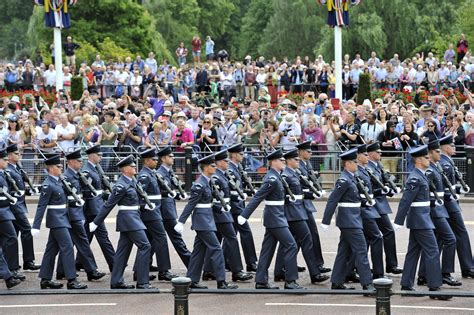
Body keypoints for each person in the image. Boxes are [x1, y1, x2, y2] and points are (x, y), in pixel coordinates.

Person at [238, 149, 304, 290]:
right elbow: (258, 197)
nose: (283, 162)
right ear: (274, 162)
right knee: (291, 245)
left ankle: (261, 280)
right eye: (281, 160)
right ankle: (291, 281)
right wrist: (244, 215)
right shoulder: (272, 179)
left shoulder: (277, 176)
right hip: (275, 218)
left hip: (276, 216)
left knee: (267, 249)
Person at [393, 145, 452, 300]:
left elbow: (421, 198)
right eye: (426, 157)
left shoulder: (421, 175)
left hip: (421, 218)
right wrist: (398, 221)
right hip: (420, 221)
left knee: (413, 252)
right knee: (432, 251)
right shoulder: (415, 177)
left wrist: (433, 203)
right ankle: (434, 287)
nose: (429, 159)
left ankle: (406, 284)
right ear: (419, 160)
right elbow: (406, 200)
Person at [174, 153, 238, 290]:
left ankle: (192, 280)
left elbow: (207, 202)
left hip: (206, 220)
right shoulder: (199, 185)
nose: (215, 167)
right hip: (203, 222)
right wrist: (181, 222)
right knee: (216, 249)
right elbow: (191, 204)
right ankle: (221, 282)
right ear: (206, 168)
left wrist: (220, 208)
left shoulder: (207, 181)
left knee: (198, 252)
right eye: (212, 165)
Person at [90, 155, 154, 289]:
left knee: (122, 251)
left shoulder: (131, 181)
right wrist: (96, 222)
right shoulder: (121, 185)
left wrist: (144, 206)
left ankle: (116, 281)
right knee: (145, 246)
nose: (135, 167)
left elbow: (134, 201)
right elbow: (109, 205)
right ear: (125, 169)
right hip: (129, 219)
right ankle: (142, 282)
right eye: (132, 166)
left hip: (133, 218)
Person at [321, 148, 375, 292]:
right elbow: (333, 200)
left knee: (344, 251)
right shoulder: (344, 180)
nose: (357, 164)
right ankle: (367, 284)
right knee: (361, 250)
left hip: (353, 218)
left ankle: (337, 281)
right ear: (348, 163)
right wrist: (326, 221)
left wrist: (366, 202)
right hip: (349, 220)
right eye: (355, 162)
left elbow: (353, 198)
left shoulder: (352, 177)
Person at [273, 148, 329, 284]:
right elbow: (284, 196)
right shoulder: (286, 175)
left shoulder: (293, 173)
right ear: (289, 161)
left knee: (291, 242)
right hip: (292, 213)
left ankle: (280, 271)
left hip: (297, 211)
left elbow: (299, 193)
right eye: (296, 159)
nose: (299, 161)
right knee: (306, 240)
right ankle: (314, 273)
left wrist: (312, 194)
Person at [31, 155, 88, 290]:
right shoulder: (48, 185)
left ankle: (45, 279)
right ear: (51, 169)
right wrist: (36, 226)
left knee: (51, 249)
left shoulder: (58, 181)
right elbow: (41, 206)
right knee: (67, 247)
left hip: (63, 219)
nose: (61, 168)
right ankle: (72, 280)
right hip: (57, 220)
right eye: (58, 166)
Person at [201, 150, 253, 283]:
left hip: (222, 213)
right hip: (221, 214)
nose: (228, 163)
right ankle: (237, 271)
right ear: (218, 163)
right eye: (225, 161)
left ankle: (208, 270)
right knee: (231, 239)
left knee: (217, 241)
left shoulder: (221, 175)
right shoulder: (216, 177)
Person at [417, 140, 461, 287]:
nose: (439, 154)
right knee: (450, 239)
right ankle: (445, 274)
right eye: (437, 152)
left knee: (437, 242)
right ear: (430, 153)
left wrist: (450, 195)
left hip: (439, 209)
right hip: (434, 211)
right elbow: (428, 192)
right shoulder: (430, 170)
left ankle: (423, 275)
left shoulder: (437, 166)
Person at [56, 149, 105, 282]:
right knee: (83, 241)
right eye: (78, 160)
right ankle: (91, 270)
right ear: (71, 162)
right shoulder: (67, 177)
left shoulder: (77, 175)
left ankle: (61, 271)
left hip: (78, 212)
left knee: (70, 242)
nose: (81, 162)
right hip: (72, 214)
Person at [136, 148, 177, 281]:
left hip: (155, 211)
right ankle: (164, 271)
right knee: (161, 239)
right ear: (147, 161)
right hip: (150, 213)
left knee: (149, 241)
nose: (156, 161)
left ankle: (139, 271)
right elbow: (139, 195)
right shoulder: (144, 175)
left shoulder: (151, 173)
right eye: (153, 159)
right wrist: (145, 206)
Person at [76, 145, 115, 272]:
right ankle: (114, 264)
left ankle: (79, 262)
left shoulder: (96, 168)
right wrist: (101, 194)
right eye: (99, 155)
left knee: (86, 237)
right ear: (91, 155)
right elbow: (86, 191)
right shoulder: (87, 170)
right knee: (103, 237)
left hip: (95, 206)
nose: (101, 157)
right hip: (92, 209)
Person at [439, 135, 474, 278]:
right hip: (449, 204)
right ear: (445, 148)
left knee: (443, 237)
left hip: (450, 202)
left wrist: (459, 190)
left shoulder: (447, 161)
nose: (454, 148)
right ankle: (467, 267)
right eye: (452, 146)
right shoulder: (445, 163)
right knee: (460, 233)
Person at [3, 144, 40, 273]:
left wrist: (28, 190)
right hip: (14, 206)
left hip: (19, 204)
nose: (19, 155)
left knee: (14, 235)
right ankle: (26, 262)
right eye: (16, 153)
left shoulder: (17, 168)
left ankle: (13, 264)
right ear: (9, 156)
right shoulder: (8, 170)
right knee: (25, 230)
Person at [366, 142, 403, 274]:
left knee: (386, 232)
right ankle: (359, 267)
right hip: (372, 205)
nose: (380, 154)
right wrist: (382, 191)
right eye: (378, 152)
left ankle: (391, 264)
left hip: (380, 205)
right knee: (372, 236)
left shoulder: (378, 166)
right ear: (370, 154)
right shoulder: (368, 167)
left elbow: (384, 182)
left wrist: (391, 190)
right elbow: (369, 187)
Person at [296, 141, 331, 274]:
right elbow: (298, 188)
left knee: (305, 236)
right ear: (302, 152)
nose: (310, 153)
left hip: (306, 204)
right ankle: (315, 266)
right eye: (308, 151)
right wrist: (312, 194)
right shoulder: (298, 165)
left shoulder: (307, 164)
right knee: (305, 236)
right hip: (301, 204)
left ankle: (317, 264)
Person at [157, 147, 191, 267]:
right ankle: (191, 262)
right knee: (176, 237)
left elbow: (170, 190)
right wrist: (172, 194)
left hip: (168, 208)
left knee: (152, 239)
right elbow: (160, 193)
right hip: (165, 211)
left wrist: (177, 195)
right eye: (170, 156)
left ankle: (141, 267)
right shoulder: (160, 173)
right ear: (163, 158)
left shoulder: (168, 171)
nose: (173, 158)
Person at [227, 144, 258, 272]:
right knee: (246, 233)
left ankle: (225, 261)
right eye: (240, 154)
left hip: (238, 205)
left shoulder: (237, 167)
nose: (243, 156)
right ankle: (251, 262)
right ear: (234, 155)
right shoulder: (230, 168)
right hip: (234, 207)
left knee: (231, 235)